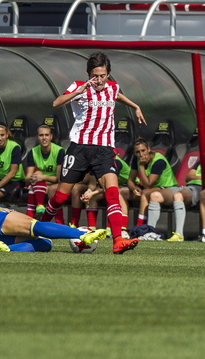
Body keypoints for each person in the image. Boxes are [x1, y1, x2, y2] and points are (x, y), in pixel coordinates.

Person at [39, 51, 146, 254]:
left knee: (112, 193)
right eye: (94, 76)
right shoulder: (79, 86)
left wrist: (135, 106)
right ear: (88, 74)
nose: (98, 80)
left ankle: (117, 240)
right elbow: (56, 102)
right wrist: (79, 91)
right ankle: (38, 229)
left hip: (104, 149)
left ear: (108, 75)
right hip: (79, 148)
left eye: (102, 76)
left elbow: (117, 95)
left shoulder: (112, 87)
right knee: (61, 196)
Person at [128, 138, 179, 230]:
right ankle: (122, 228)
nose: (141, 154)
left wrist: (141, 166)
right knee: (122, 192)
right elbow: (130, 181)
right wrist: (134, 188)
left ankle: (140, 227)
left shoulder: (158, 161)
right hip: (150, 188)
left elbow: (148, 185)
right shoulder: (136, 159)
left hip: (166, 188)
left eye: (143, 151)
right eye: (137, 152)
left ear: (149, 149)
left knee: (145, 192)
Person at [24, 124, 64, 218]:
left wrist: (43, 177)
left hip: (54, 184)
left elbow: (59, 179)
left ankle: (30, 218)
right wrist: (35, 178)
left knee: (32, 188)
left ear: (51, 136)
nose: (44, 138)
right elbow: (27, 178)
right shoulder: (33, 152)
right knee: (35, 178)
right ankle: (39, 208)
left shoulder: (59, 151)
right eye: (41, 135)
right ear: (37, 137)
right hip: (39, 185)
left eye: (46, 135)